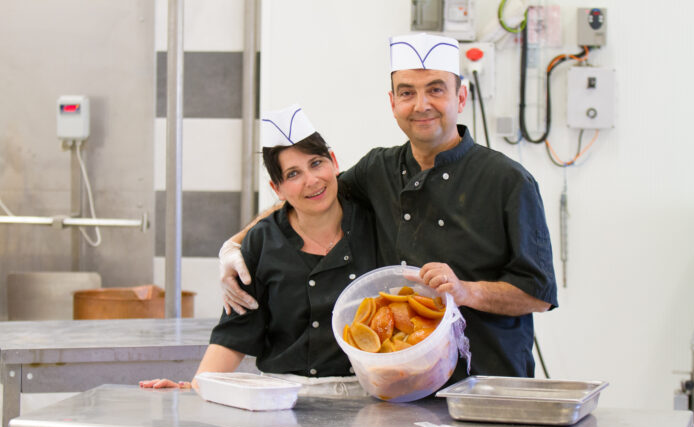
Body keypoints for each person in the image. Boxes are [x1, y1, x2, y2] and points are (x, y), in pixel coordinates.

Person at [219, 33, 558, 382]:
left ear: (461, 97)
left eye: (436, 90)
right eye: (407, 92)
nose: (421, 104)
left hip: (487, 380)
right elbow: (308, 198)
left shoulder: (508, 181)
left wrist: (466, 291)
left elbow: (538, 294)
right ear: (392, 102)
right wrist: (235, 244)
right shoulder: (377, 169)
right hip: (400, 386)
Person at [141, 106, 378, 392]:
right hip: (283, 397)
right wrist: (195, 387)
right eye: (293, 174)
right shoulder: (263, 241)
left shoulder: (373, 223)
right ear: (276, 188)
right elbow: (237, 327)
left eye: (316, 163)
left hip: (369, 392)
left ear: (334, 162)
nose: (311, 180)